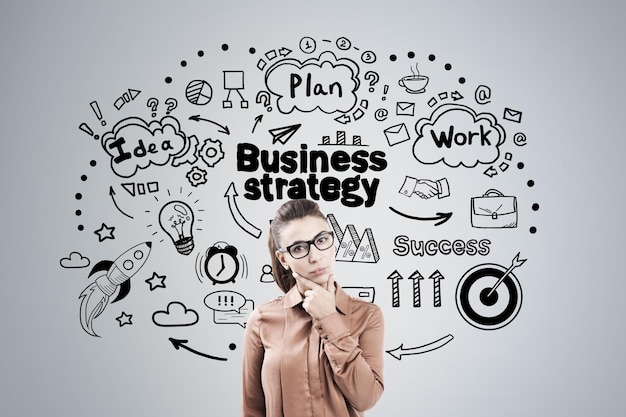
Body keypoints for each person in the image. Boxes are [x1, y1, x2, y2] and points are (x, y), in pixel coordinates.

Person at [242, 199, 384, 417]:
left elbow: (366, 398)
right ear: (283, 259)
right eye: (299, 248)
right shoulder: (262, 320)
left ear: (332, 242)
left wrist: (329, 319)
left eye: (321, 240)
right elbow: (252, 409)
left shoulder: (367, 314)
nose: (315, 256)